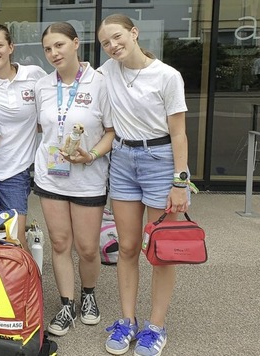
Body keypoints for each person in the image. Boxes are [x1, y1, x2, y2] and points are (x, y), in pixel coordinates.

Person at [97, 14, 191, 356]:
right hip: (122, 160)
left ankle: (156, 327)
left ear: (134, 33)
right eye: (106, 43)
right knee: (127, 246)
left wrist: (180, 182)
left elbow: (179, 132)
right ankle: (127, 321)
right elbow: (72, 77)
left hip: (161, 161)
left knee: (162, 251)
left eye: (118, 37)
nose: (113, 46)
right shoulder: (107, 70)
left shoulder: (167, 76)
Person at [33, 22, 114, 337]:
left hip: (88, 177)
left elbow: (111, 131)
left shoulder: (99, 83)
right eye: (48, 49)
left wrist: (91, 155)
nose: (54, 53)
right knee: (59, 242)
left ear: (76, 43)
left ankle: (89, 295)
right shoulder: (42, 85)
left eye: (59, 45)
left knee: (88, 247)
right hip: (51, 176)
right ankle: (66, 303)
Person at [0, 24, 47, 251]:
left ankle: (24, 284)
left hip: (15, 172)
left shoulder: (34, 75)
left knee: (14, 238)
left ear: (10, 47)